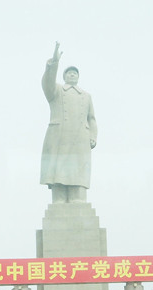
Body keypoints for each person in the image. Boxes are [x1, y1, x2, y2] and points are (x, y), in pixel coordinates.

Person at [40, 42, 97, 204]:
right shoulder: (57, 91)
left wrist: (93, 135)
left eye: (75, 73)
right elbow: (47, 84)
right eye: (69, 73)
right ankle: (59, 197)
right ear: (64, 76)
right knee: (58, 167)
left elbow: (92, 118)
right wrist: (54, 64)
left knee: (78, 167)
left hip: (80, 138)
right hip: (60, 136)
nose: (72, 75)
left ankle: (77, 197)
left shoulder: (86, 96)